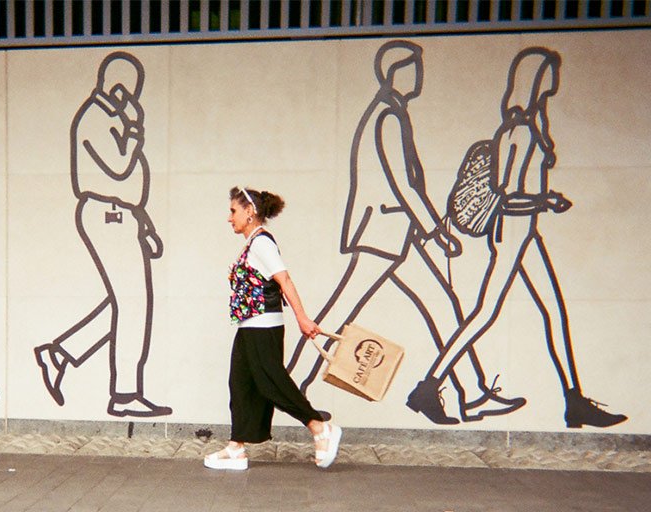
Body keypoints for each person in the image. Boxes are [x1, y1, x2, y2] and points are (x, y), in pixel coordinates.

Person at [286, 40, 522, 424]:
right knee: (338, 312)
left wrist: (428, 227)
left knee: (444, 307)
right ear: (395, 73)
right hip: (384, 232)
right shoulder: (387, 116)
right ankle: (290, 385)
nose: (419, 75)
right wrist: (434, 230)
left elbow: (411, 184)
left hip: (399, 234)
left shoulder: (394, 113)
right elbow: (402, 183)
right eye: (413, 68)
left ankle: (471, 393)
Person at [407, 48, 627, 429]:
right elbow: (507, 194)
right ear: (537, 81)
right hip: (514, 231)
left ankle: (574, 401)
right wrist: (547, 200)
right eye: (547, 76)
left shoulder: (528, 125)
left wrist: (541, 203)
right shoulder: (520, 129)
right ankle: (427, 387)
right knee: (485, 314)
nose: (553, 82)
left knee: (553, 313)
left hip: (526, 233)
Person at [33, 52, 171, 418]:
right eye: (131, 92)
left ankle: (59, 354)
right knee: (133, 303)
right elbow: (121, 166)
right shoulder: (95, 118)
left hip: (121, 215)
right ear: (120, 87)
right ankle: (125, 393)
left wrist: (144, 223)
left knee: (126, 303)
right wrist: (135, 130)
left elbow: (124, 182)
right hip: (107, 215)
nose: (133, 100)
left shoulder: (109, 117)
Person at [203, 187, 340, 471]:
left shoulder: (262, 243)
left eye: (233, 211)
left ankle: (319, 426)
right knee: (240, 383)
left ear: (249, 211)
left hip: (263, 326)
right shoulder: (252, 243)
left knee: (271, 382)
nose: (230, 218)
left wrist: (303, 318)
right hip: (249, 325)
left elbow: (284, 280)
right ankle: (236, 448)